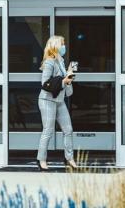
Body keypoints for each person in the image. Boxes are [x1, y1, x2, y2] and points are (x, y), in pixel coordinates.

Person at [36, 35, 77, 171]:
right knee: (48, 130)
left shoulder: (61, 61)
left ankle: (69, 158)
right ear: (55, 46)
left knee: (68, 130)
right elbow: (45, 83)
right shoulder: (49, 62)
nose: (64, 46)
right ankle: (41, 160)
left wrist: (69, 75)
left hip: (59, 100)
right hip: (47, 100)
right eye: (62, 43)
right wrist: (63, 81)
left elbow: (64, 82)